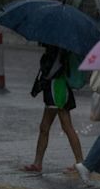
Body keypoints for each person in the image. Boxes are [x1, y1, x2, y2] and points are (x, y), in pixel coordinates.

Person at [22, 45, 84, 173]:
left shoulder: (57, 48)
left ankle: (79, 163)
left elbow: (51, 71)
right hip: (58, 88)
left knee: (57, 127)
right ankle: (38, 163)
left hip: (56, 89)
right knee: (51, 127)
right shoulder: (59, 47)